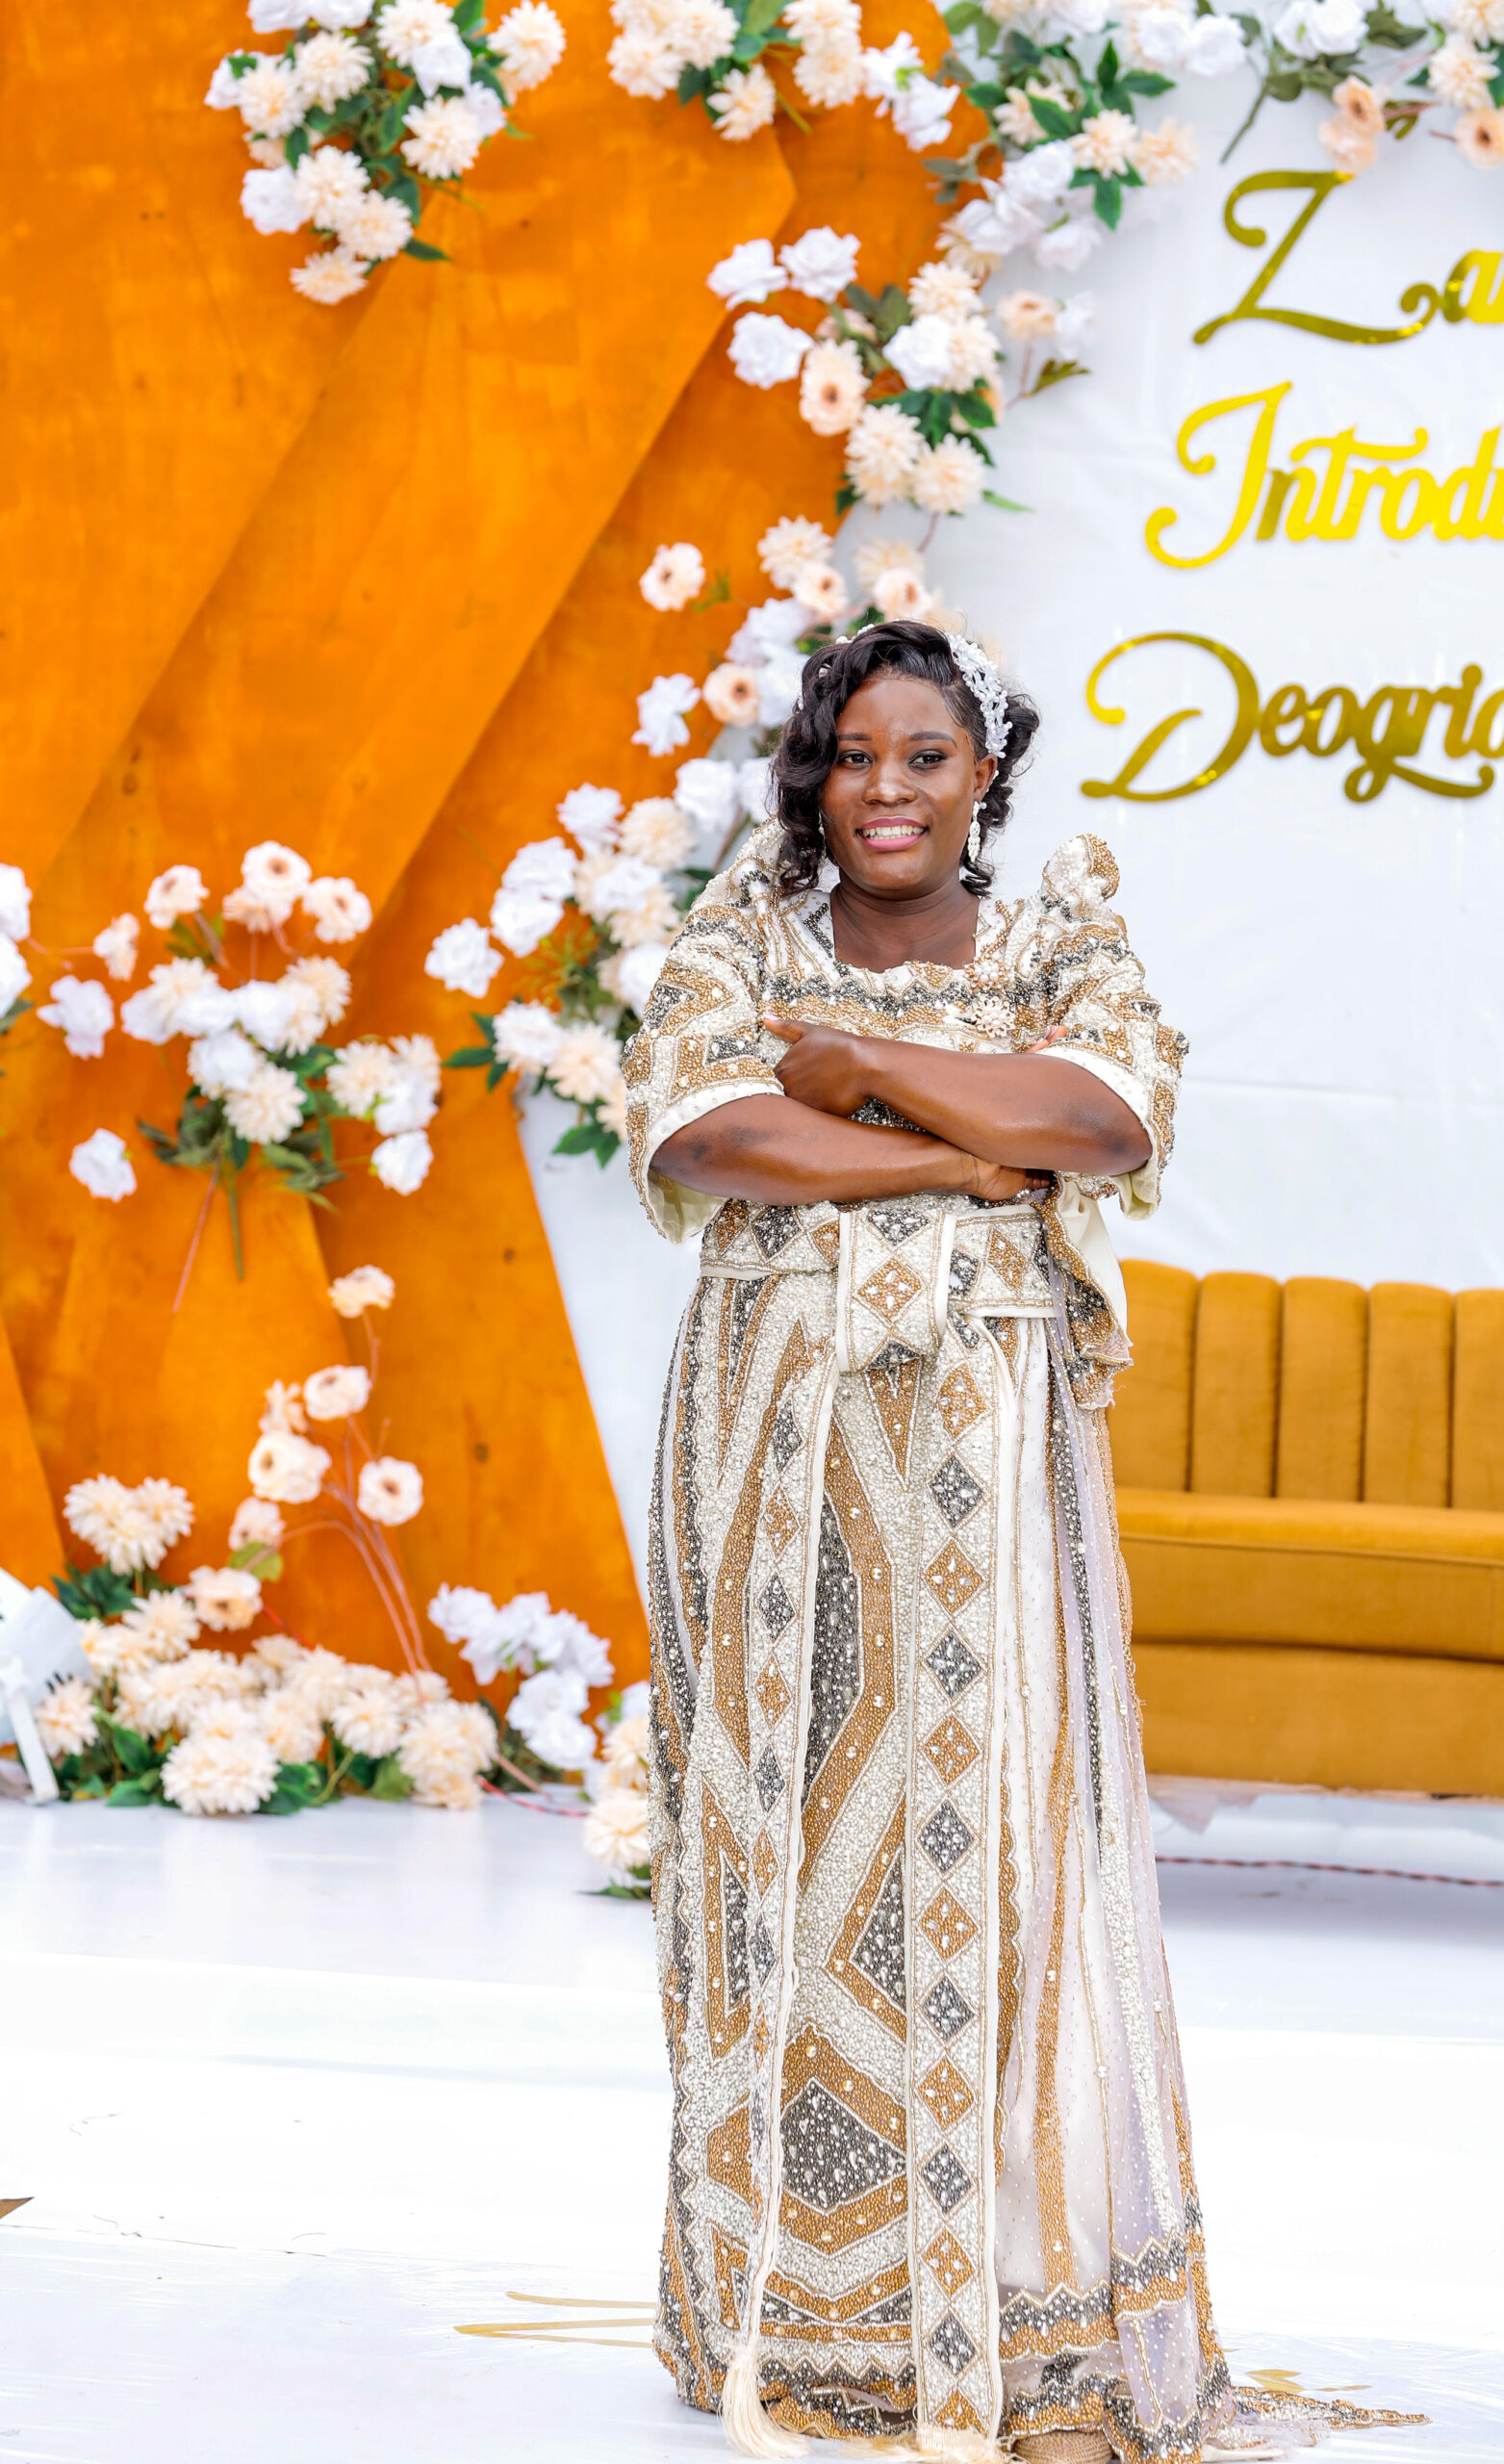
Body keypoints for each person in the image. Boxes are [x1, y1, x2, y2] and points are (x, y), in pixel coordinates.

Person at [621, 622, 1358, 2462]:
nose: (886, 790)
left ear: (985, 774)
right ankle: (792, 2307)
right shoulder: (737, 942)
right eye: (854, 757)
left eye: (926, 756)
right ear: (814, 779)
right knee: (776, 1838)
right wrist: (960, 1155)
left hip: (994, 1453)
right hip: (775, 1452)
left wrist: (856, 1066)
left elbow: (1100, 1116)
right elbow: (711, 1135)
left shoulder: (1058, 943)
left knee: (999, 1840)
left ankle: (1014, 2299)